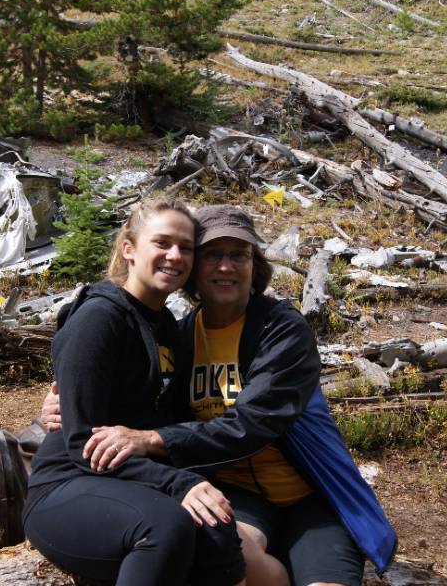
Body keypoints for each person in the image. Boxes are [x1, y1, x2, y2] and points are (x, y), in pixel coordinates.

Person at [42, 204, 397, 586]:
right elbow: (143, 398)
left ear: (253, 265)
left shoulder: (281, 329)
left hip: (308, 497)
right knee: (228, 559)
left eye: (239, 255)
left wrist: (153, 440)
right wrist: (63, 407)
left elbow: (253, 422)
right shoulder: (181, 335)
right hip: (235, 494)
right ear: (195, 268)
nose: (226, 266)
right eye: (213, 254)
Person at [23, 198, 247, 586]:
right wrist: (180, 483)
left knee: (215, 524)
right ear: (129, 248)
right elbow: (80, 443)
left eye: (186, 248)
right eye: (162, 243)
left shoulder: (168, 327)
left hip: (129, 481)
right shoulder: (98, 320)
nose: (175, 256)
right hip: (68, 485)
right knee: (165, 525)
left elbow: (172, 418)